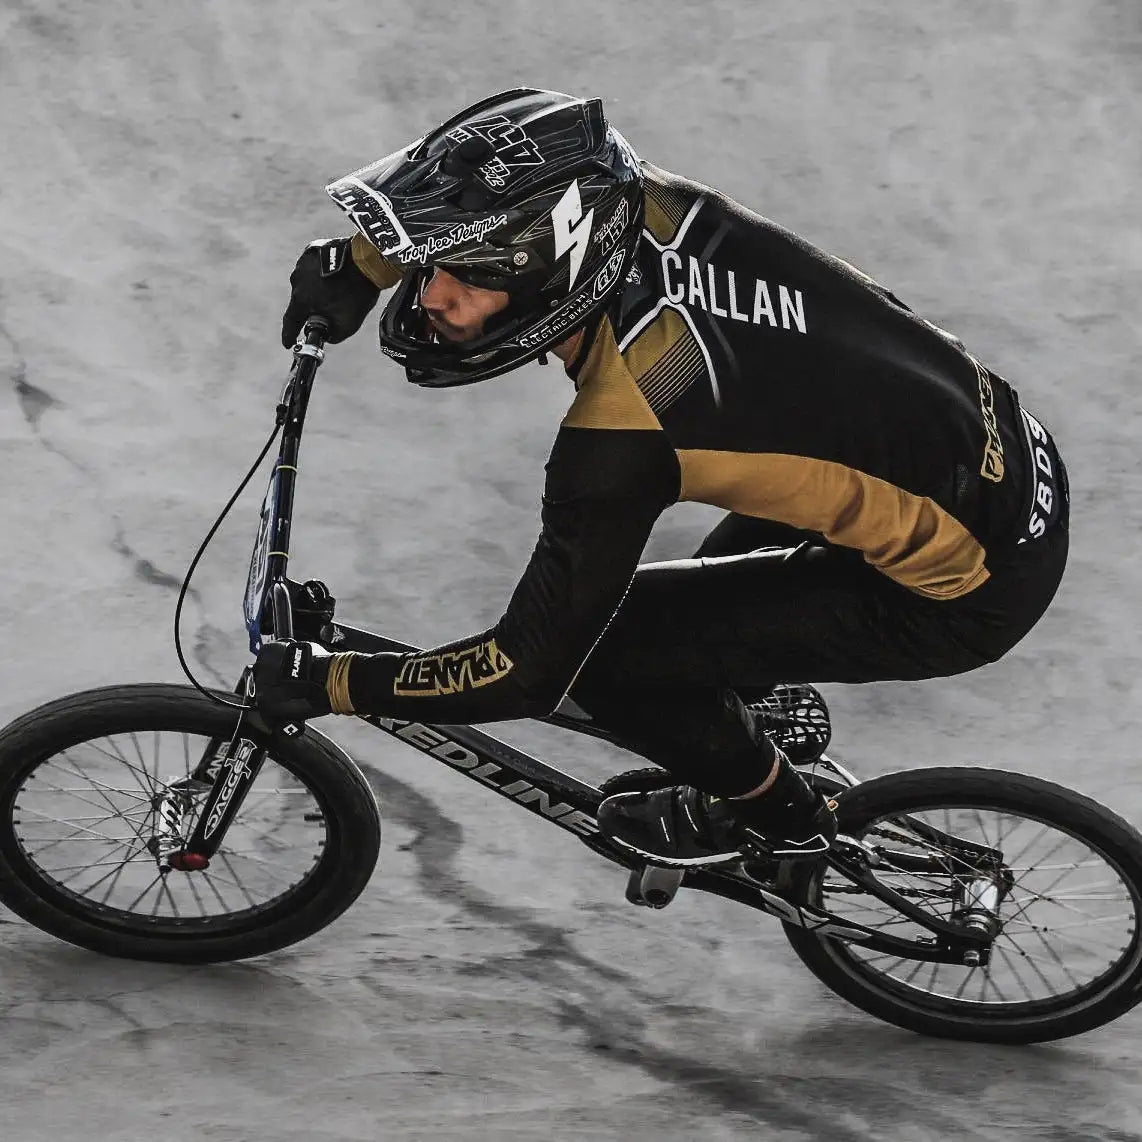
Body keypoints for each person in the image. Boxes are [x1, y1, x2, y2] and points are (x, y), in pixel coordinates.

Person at [255, 87, 1069, 867]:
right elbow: (509, 199)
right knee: (691, 625)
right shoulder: (638, 200)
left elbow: (524, 669)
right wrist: (365, 262)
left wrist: (336, 680)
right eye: (431, 266)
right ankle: (742, 712)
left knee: (609, 652)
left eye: (466, 276)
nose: (432, 294)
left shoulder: (627, 430)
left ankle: (782, 821)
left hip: (970, 587)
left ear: (551, 273)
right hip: (978, 446)